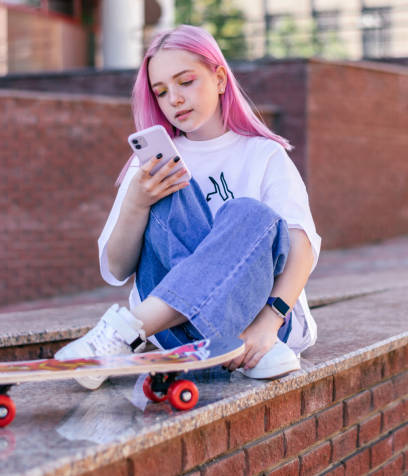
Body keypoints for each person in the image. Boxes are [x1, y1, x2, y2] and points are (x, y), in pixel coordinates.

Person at [55, 24, 321, 389]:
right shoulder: (153, 165)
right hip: (182, 337)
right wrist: (138, 201)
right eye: (161, 92)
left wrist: (268, 323)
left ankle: (125, 332)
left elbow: (301, 249)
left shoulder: (263, 154)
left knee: (249, 214)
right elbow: (116, 268)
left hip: (262, 326)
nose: (174, 99)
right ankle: (177, 334)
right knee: (168, 191)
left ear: (220, 78)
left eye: (186, 81)